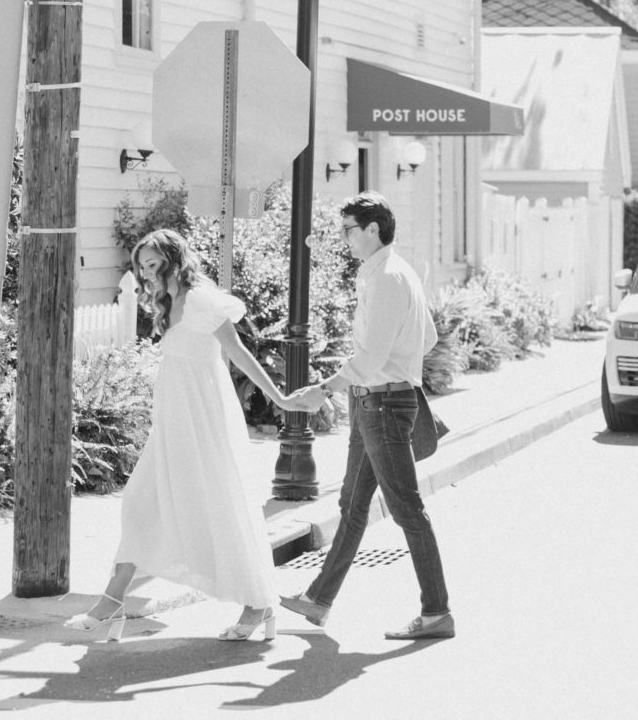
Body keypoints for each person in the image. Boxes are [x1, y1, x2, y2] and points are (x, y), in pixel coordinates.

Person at [64, 228, 318, 642]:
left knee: (222, 506)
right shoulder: (168, 303)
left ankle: (258, 603)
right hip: (172, 424)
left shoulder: (200, 299)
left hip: (203, 421)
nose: (146, 273)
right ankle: (112, 603)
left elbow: (238, 353)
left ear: (173, 259)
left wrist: (281, 399)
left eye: (152, 264)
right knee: (140, 504)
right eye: (141, 266)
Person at [279, 191, 453, 640]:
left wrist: (323, 391)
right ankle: (318, 599)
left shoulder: (389, 278)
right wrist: (396, 364)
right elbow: (428, 338)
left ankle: (437, 613)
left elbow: (372, 357)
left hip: (383, 404)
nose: (345, 238)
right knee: (352, 506)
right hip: (373, 402)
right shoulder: (389, 272)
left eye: (349, 230)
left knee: (407, 509)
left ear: (373, 229)